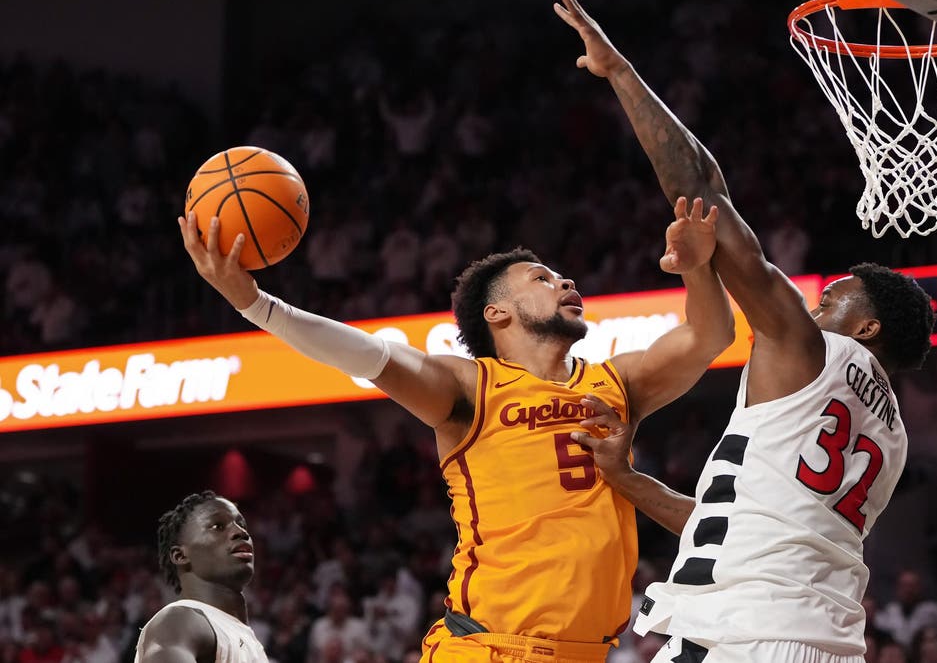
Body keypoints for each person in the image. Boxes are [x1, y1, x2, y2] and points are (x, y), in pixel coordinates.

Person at [178, 194, 735, 663]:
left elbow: (710, 334)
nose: (564, 280)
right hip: (488, 649)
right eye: (541, 278)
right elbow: (368, 355)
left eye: (561, 275)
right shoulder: (470, 387)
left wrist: (697, 267)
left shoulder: (619, 382)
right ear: (497, 315)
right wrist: (257, 305)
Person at [556, 0, 935, 659]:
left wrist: (620, 73)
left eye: (830, 301)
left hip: (742, 635)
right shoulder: (893, 437)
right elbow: (737, 525)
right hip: (820, 641)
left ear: (867, 327)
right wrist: (627, 477)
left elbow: (704, 189)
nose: (812, 309)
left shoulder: (809, 350)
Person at [134, 491, 268, 663]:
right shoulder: (179, 621)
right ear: (180, 555)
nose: (241, 532)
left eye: (241, 525)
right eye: (218, 526)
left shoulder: (238, 633)